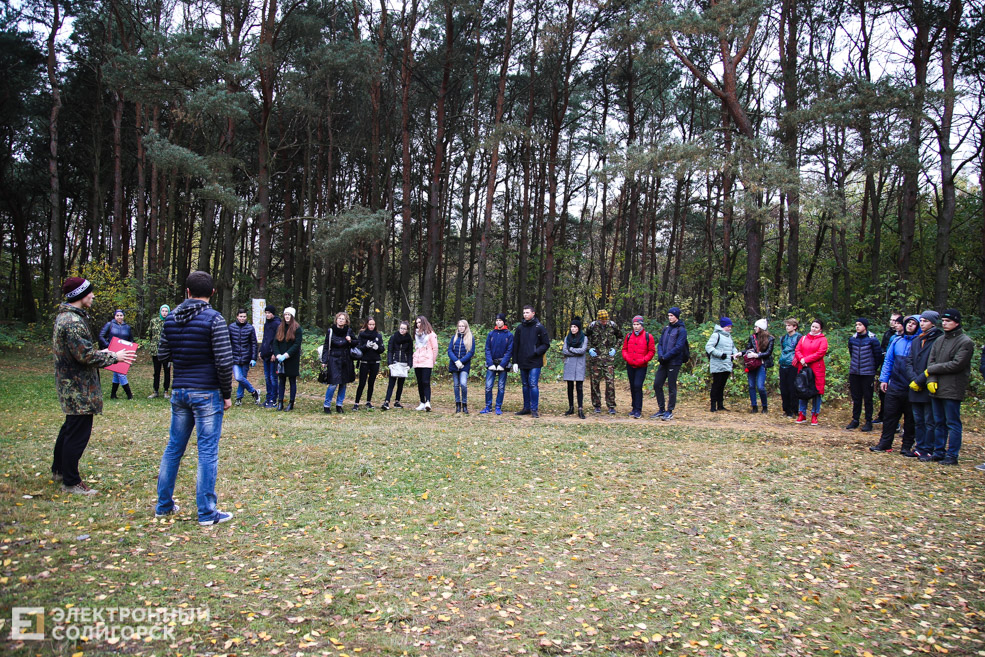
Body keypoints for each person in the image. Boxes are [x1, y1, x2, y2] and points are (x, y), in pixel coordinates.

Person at [155, 270, 234, 525]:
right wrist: (226, 393)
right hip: (207, 392)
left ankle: (163, 505)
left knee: (173, 449)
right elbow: (224, 361)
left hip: (180, 391)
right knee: (207, 452)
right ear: (212, 293)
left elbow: (163, 354)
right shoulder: (214, 319)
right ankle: (206, 513)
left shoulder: (171, 319)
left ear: (187, 292)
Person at [52, 277, 136, 495]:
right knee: (77, 433)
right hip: (78, 387)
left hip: (73, 385)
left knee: (70, 428)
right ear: (80, 295)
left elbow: (82, 351)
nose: (93, 296)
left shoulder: (68, 317)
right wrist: (114, 356)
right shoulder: (72, 321)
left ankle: (59, 470)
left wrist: (107, 353)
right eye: (90, 292)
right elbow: (85, 355)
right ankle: (71, 482)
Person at [925, 309, 975, 465]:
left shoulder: (965, 342)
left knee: (952, 423)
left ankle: (952, 455)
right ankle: (938, 451)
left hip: (952, 388)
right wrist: (930, 379)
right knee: (938, 421)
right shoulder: (939, 340)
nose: (945, 324)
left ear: (957, 323)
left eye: (948, 321)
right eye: (943, 321)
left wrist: (932, 370)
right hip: (937, 387)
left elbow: (957, 365)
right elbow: (930, 361)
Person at [871, 315, 919, 454]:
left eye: (913, 323)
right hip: (895, 384)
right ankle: (885, 443)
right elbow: (888, 361)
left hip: (912, 386)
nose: (909, 325)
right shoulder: (897, 341)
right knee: (890, 415)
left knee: (910, 418)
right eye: (908, 323)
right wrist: (884, 379)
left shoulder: (919, 343)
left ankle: (906, 446)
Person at [906, 311, 943, 461]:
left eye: (925, 321)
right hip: (914, 385)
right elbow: (909, 361)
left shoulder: (938, 340)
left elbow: (934, 363)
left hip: (928, 384)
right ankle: (919, 447)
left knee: (929, 420)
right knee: (918, 419)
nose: (922, 324)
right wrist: (913, 379)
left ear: (933, 323)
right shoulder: (916, 340)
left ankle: (928, 448)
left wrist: (920, 380)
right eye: (921, 320)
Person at [513, 305, 551, 418]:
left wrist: (536, 351)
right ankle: (526, 408)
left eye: (527, 312)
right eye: (524, 313)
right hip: (523, 361)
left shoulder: (539, 327)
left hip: (535, 361)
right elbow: (515, 345)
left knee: (533, 384)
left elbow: (546, 344)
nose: (525, 314)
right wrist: (515, 361)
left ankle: (534, 409)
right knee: (525, 385)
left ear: (533, 313)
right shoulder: (520, 328)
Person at [846, 318, 881, 431]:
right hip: (855, 372)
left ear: (865, 326)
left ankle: (868, 421)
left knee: (868, 398)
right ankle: (855, 419)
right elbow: (852, 353)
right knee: (856, 397)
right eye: (856, 325)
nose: (857, 327)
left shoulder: (873, 340)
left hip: (868, 373)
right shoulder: (852, 339)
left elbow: (878, 356)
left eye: (860, 325)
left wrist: (872, 368)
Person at [652, 307, 688, 420]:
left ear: (676, 316)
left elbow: (679, 347)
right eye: (668, 315)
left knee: (672, 387)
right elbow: (661, 343)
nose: (670, 317)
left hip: (674, 362)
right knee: (657, 384)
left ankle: (670, 410)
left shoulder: (681, 330)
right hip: (664, 361)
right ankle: (661, 409)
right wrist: (661, 355)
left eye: (672, 315)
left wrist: (666, 356)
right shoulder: (666, 328)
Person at [585, 309, 621, 414]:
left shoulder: (613, 325)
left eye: (605, 320)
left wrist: (615, 348)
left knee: (610, 383)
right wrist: (589, 349)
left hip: (608, 359)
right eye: (602, 320)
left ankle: (611, 406)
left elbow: (620, 337)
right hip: (595, 359)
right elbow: (584, 338)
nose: (604, 322)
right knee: (595, 383)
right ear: (599, 319)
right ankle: (597, 405)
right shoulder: (592, 326)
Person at [321, 311, 357, 413]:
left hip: (346, 360)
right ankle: (326, 405)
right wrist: (324, 360)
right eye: (339, 318)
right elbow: (326, 346)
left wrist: (350, 340)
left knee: (343, 383)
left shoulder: (349, 331)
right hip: (333, 359)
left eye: (343, 319)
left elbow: (356, 343)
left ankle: (339, 405)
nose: (341, 320)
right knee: (333, 384)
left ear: (346, 321)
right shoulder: (331, 331)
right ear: (336, 320)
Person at [794, 319, 828, 426]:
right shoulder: (804, 338)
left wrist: (806, 359)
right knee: (802, 390)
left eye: (816, 327)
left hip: (817, 369)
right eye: (813, 326)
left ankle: (814, 415)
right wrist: (801, 359)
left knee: (816, 392)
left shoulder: (823, 340)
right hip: (803, 368)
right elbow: (797, 350)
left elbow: (820, 353)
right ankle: (802, 414)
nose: (813, 329)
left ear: (820, 329)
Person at [621, 316, 655, 419]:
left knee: (637, 385)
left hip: (641, 365)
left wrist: (644, 360)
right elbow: (624, 349)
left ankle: (638, 409)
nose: (636, 327)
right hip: (630, 364)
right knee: (632, 386)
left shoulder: (648, 336)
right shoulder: (629, 336)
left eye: (638, 324)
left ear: (642, 325)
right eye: (634, 324)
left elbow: (651, 351)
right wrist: (627, 358)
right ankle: (634, 407)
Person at [480, 313, 514, 415]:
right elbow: (487, 349)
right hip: (491, 363)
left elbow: (509, 351)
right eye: (497, 320)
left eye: (500, 320)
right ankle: (488, 406)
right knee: (488, 386)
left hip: (502, 364)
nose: (498, 322)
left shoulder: (509, 335)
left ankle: (498, 406)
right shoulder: (491, 334)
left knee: (501, 386)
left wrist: (502, 364)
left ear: (504, 322)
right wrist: (490, 363)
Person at [705, 317, 741, 412]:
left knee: (722, 385)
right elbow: (708, 347)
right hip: (717, 364)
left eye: (730, 326)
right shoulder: (716, 335)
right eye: (728, 326)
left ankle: (720, 405)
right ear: (723, 326)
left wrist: (735, 354)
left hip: (727, 364)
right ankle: (713, 406)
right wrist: (720, 354)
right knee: (716, 385)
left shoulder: (729, 336)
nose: (729, 328)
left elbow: (733, 347)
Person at [874, 312, 903, 423]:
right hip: (886, 365)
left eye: (895, 321)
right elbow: (882, 349)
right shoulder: (888, 334)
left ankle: (894, 421)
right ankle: (883, 416)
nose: (893, 323)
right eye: (891, 320)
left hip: (898, 369)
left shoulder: (901, 336)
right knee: (883, 393)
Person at [99, 309, 134, 399]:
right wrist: (109, 346)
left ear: (123, 316)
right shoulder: (109, 325)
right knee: (121, 372)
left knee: (117, 372)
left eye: (121, 315)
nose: (119, 317)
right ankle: (129, 395)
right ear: (115, 316)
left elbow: (131, 340)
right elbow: (101, 336)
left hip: (124, 352)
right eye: (117, 315)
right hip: (113, 352)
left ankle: (113, 394)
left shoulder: (127, 327)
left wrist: (130, 349)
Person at [273, 307, 303, 411]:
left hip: (291, 359)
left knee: (292, 381)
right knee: (281, 380)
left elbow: (296, 344)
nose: (287, 316)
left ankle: (291, 403)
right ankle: (280, 402)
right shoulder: (280, 327)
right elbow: (275, 342)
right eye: (285, 314)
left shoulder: (297, 328)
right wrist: (277, 355)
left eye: (289, 315)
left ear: (292, 316)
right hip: (280, 359)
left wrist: (286, 355)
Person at [229, 308, 260, 406]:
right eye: (241, 316)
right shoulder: (231, 327)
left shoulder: (250, 328)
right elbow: (228, 342)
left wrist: (253, 358)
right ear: (237, 316)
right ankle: (254, 392)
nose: (242, 318)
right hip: (234, 357)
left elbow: (254, 344)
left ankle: (239, 398)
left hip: (246, 357)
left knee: (242, 378)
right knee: (238, 377)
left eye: (244, 317)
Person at [353, 316, 385, 410]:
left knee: (371, 383)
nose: (372, 326)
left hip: (375, 361)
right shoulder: (362, 335)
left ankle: (368, 402)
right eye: (370, 324)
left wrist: (377, 347)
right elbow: (358, 348)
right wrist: (366, 346)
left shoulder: (378, 335)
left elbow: (382, 349)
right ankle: (356, 403)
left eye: (373, 324)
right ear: (367, 324)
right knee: (362, 383)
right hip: (364, 361)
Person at [744, 319, 775, 414]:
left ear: (760, 328)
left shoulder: (770, 339)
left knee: (760, 386)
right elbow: (748, 349)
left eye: (756, 327)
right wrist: (741, 353)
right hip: (752, 364)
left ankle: (764, 406)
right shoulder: (752, 337)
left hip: (762, 364)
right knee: (751, 385)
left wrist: (757, 355)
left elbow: (768, 353)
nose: (754, 328)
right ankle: (754, 406)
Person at [561, 318, 589, 419]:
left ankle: (580, 408)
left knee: (579, 387)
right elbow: (564, 351)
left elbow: (582, 350)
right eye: (572, 327)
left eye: (575, 327)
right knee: (570, 387)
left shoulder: (584, 338)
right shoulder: (567, 338)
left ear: (579, 328)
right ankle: (571, 407)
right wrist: (573, 352)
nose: (573, 329)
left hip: (580, 365)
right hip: (569, 365)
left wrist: (571, 349)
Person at [382, 320, 412, 411]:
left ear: (407, 330)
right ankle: (386, 401)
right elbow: (390, 351)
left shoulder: (409, 339)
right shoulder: (394, 337)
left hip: (404, 363)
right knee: (391, 383)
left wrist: (409, 365)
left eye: (404, 329)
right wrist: (390, 363)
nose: (402, 330)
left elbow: (410, 352)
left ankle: (397, 401)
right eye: (401, 328)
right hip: (394, 362)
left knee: (401, 384)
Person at [448, 319, 476, 414]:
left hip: (464, 365)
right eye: (459, 326)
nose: (461, 328)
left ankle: (464, 404)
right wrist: (456, 361)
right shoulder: (454, 337)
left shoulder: (470, 338)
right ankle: (458, 404)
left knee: (463, 384)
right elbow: (450, 351)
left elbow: (471, 352)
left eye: (462, 326)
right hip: (454, 365)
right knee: (456, 385)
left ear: (466, 327)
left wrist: (461, 361)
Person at [413, 315, 439, 411]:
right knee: (419, 382)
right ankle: (422, 402)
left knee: (425, 381)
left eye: (419, 322)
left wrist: (432, 360)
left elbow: (435, 348)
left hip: (427, 360)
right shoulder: (416, 334)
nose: (418, 325)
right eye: (417, 323)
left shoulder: (431, 334)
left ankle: (428, 401)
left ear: (424, 323)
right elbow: (416, 346)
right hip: (417, 360)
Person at [777, 318, 802, 417]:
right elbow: (783, 349)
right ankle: (786, 410)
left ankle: (794, 409)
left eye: (789, 325)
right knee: (784, 388)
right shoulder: (783, 338)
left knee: (793, 388)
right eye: (786, 325)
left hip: (793, 365)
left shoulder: (799, 337)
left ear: (794, 327)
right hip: (783, 364)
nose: (787, 327)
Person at [147, 304, 172, 399]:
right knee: (156, 371)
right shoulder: (154, 321)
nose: (164, 313)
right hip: (156, 351)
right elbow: (149, 334)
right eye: (163, 311)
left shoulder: (171, 321)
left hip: (167, 352)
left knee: (167, 371)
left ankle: (166, 391)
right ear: (160, 311)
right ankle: (155, 390)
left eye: (166, 311)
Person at [258, 305, 281, 407]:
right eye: (266, 313)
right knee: (267, 377)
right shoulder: (266, 324)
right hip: (265, 353)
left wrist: (274, 353)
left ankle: (274, 399)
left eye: (269, 313)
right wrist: (260, 350)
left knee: (273, 377)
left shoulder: (277, 324)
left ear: (273, 313)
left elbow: (277, 340)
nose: (267, 315)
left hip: (273, 355)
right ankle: (268, 398)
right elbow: (265, 339)